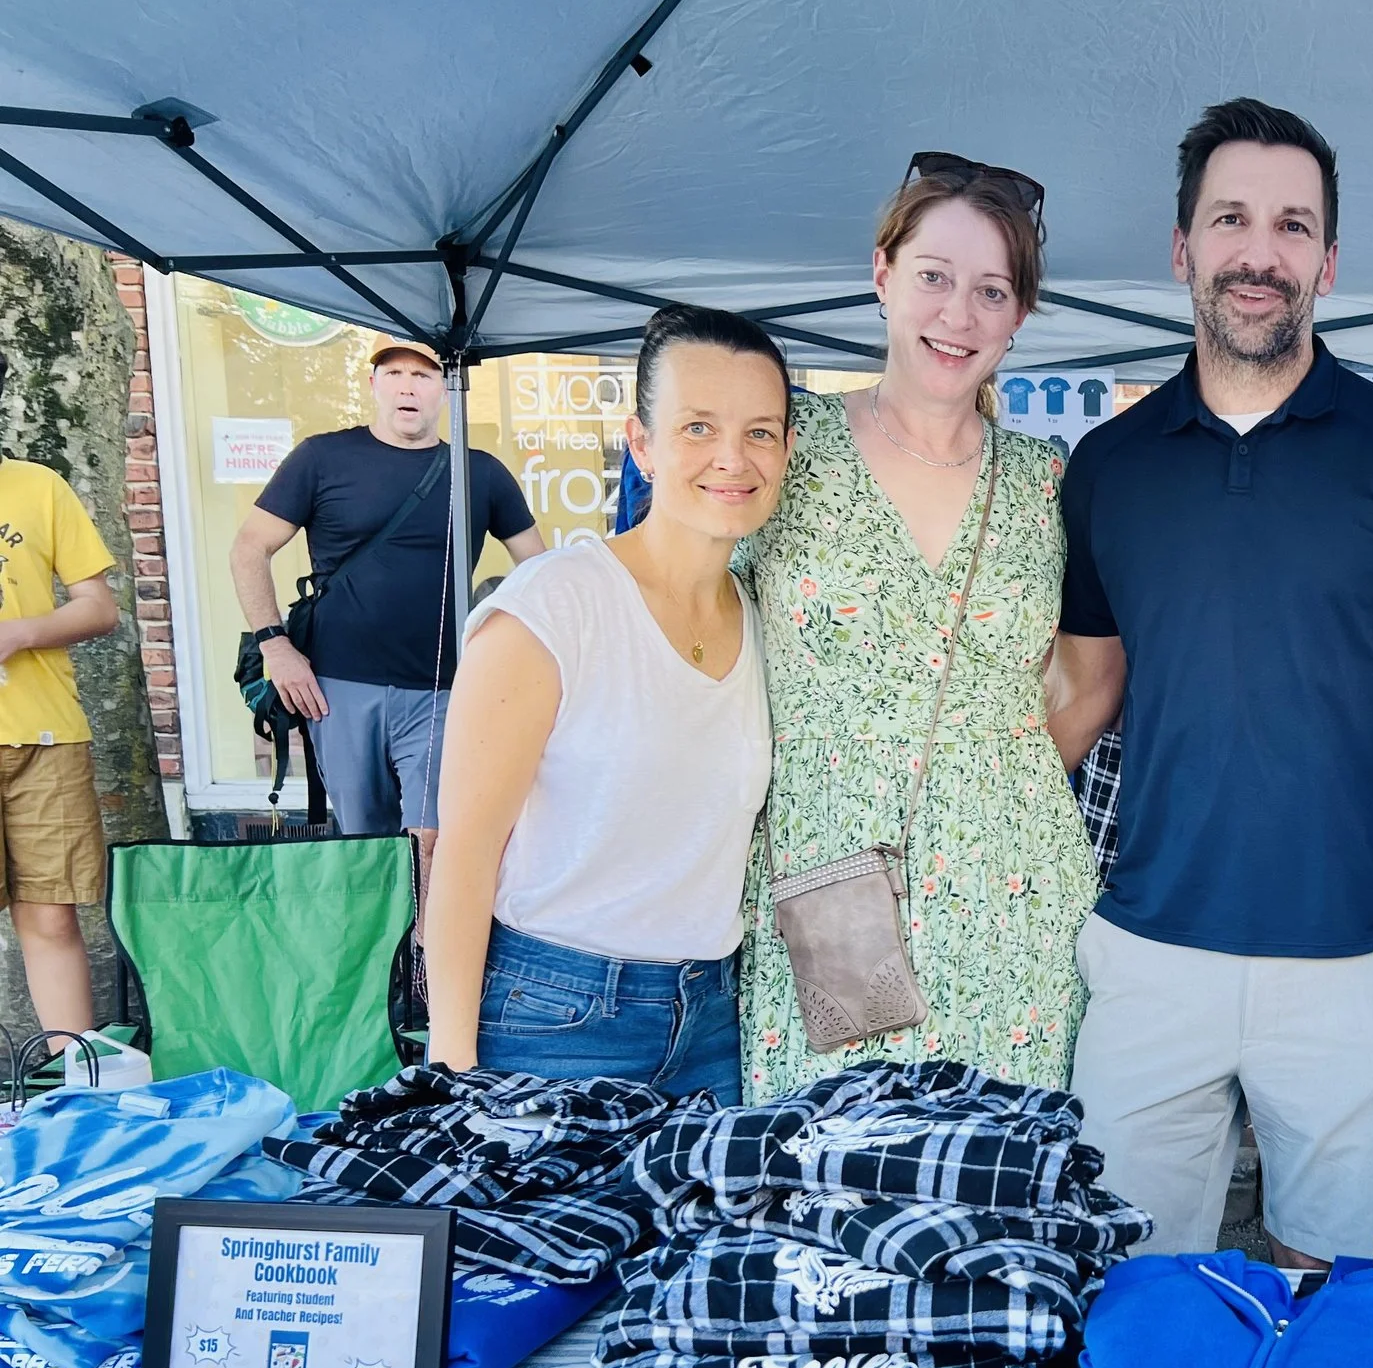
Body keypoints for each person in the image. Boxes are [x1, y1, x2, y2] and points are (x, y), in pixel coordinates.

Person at [1049, 98, 1373, 1267]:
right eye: (1231, 220)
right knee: (1130, 1284)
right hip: (1147, 949)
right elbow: (1084, 694)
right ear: (1181, 248)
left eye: (1293, 226)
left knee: (1333, 1290)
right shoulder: (1107, 469)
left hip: (1356, 959)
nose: (1260, 253)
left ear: (1330, 261)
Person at [736, 153, 1095, 1099]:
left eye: (991, 290)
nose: (958, 314)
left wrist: (983, 785)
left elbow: (1093, 676)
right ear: (884, 273)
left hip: (1012, 899)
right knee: (818, 1193)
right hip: (828, 894)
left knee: (1000, 1198)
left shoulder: (1046, 483)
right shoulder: (785, 447)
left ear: (1019, 314)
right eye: (934, 277)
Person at [422, 306, 791, 1097]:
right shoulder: (555, 607)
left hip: (716, 1021)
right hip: (554, 1016)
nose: (732, 456)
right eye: (698, 427)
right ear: (641, 444)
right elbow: (463, 854)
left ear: (788, 450)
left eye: (760, 432)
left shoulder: (766, 618)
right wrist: (451, 1077)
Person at [231, 339, 543, 854]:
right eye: (395, 372)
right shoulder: (321, 458)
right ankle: (385, 938)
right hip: (338, 689)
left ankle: (427, 938)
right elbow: (248, 548)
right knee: (366, 844)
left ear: (446, 389)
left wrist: (508, 654)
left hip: (444, 689)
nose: (408, 386)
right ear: (373, 383)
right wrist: (275, 646)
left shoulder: (479, 472)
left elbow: (538, 571)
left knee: (436, 840)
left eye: (424, 375)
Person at [0, 352, 126, 1044]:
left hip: (45, 736)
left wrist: (23, 630)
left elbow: (99, 608)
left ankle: (76, 1086)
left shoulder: (36, 486)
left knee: (50, 915)